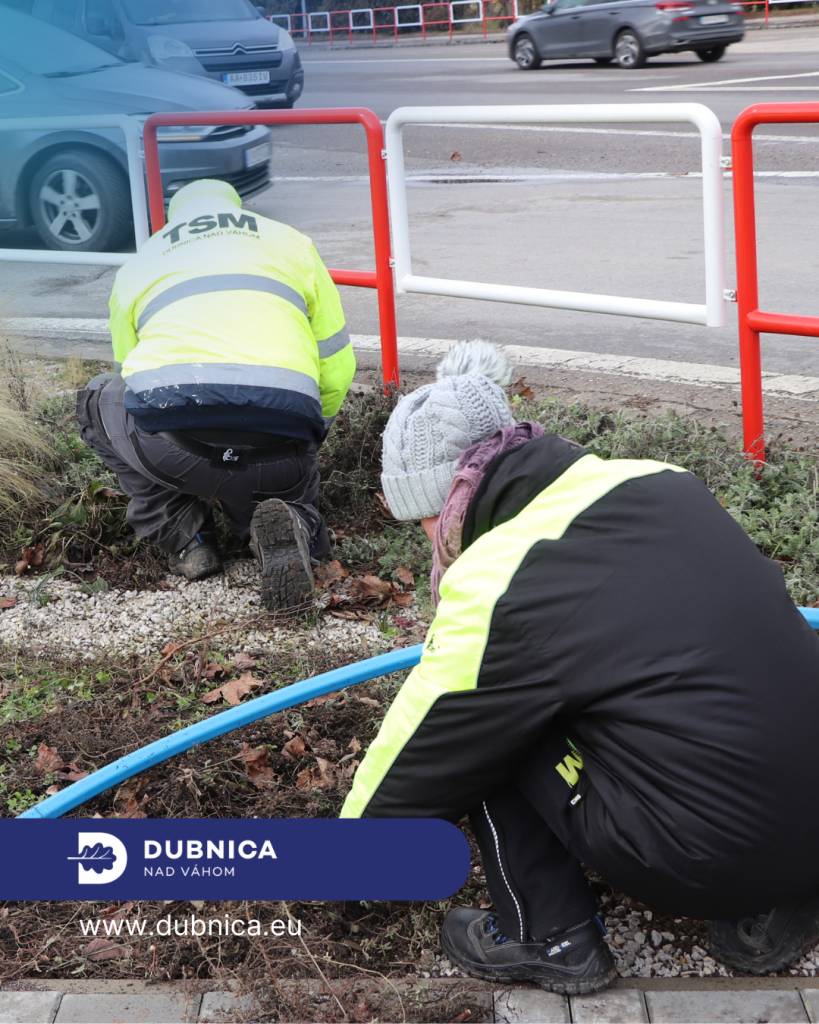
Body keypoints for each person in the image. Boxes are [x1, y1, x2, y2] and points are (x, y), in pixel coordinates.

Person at [341, 340, 819, 994]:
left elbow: (422, 755)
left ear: (449, 499)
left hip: (711, 857)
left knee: (485, 725)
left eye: (418, 520)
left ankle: (549, 937)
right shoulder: (656, 480)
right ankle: (784, 894)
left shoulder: (502, 577)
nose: (422, 540)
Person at [76, 179, 354, 611]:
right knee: (284, 490)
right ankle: (282, 524)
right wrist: (311, 438)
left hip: (172, 448)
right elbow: (336, 363)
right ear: (238, 209)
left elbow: (128, 372)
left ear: (176, 218)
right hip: (280, 445)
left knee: (98, 397)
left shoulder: (143, 260)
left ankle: (187, 539)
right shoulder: (292, 244)